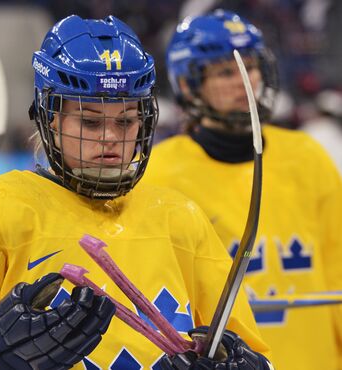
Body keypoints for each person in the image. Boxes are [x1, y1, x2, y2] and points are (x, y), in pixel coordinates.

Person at [0, 14, 273, 370]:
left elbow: (250, 353)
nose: (111, 138)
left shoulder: (179, 216)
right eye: (89, 121)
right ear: (49, 117)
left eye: (126, 121)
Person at [141, 9, 342, 370]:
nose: (244, 81)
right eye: (224, 72)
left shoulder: (308, 156)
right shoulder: (159, 173)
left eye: (249, 67)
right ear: (187, 85)